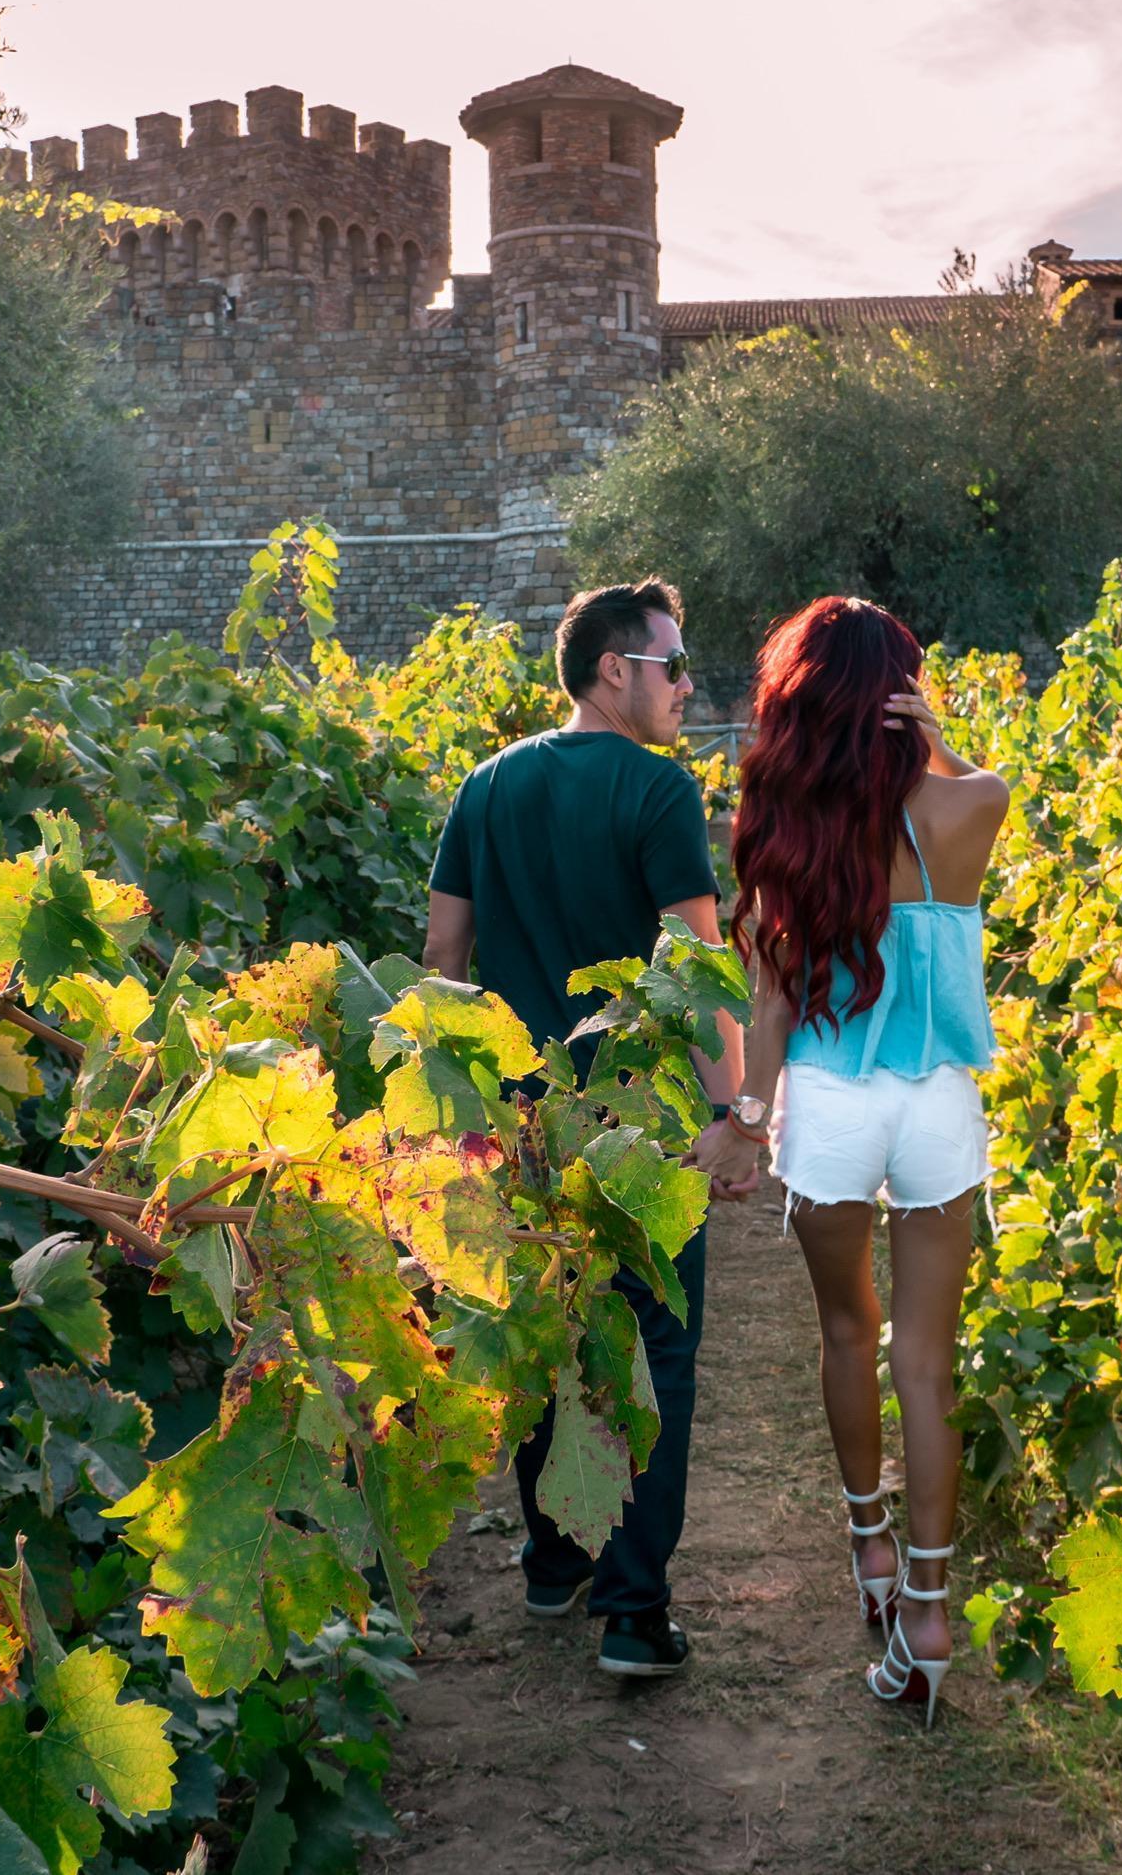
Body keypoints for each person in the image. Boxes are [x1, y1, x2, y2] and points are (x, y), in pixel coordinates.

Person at [421, 578, 761, 1679]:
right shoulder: (658, 794)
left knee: (544, 1327)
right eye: (672, 664)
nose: (685, 685)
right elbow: (699, 967)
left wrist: (455, 1117)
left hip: (520, 1121)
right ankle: (632, 1613)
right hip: (639, 1127)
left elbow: (441, 964)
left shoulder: (484, 785)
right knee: (655, 1347)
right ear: (615, 669)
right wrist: (730, 1114)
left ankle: (553, 1557)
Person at [719, 597, 1007, 1727]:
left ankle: (871, 1553)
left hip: (831, 1110)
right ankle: (929, 1620)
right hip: (940, 1107)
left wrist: (750, 1112)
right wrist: (935, 734)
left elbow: (773, 994)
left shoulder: (790, 818)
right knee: (924, 1366)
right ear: (899, 689)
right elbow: (984, 780)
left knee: (849, 1330)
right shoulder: (965, 807)